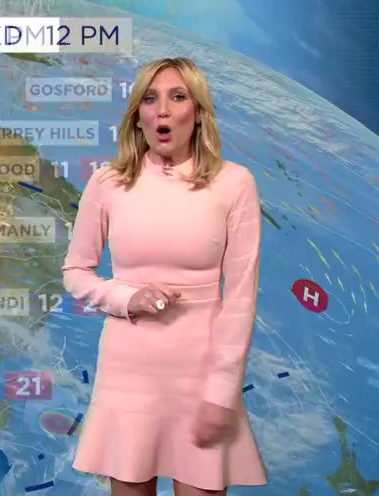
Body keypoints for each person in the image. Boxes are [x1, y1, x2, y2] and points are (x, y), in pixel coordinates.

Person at [61, 57, 268, 495]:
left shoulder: (235, 183)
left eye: (177, 97)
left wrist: (221, 393)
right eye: (150, 99)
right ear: (138, 115)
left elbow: (241, 299)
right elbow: (76, 272)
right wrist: (125, 298)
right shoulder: (108, 183)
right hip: (128, 375)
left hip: (202, 376)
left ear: (199, 112)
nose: (163, 110)